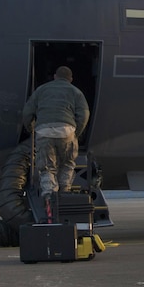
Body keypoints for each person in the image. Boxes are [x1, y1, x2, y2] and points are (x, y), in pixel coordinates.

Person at [21, 66, 91, 220]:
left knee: (47, 168)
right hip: (67, 130)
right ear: (70, 78)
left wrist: (30, 128)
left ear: (54, 76)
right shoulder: (75, 92)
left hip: (44, 131)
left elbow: (27, 112)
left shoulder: (41, 90)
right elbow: (84, 114)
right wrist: (76, 132)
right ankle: (64, 193)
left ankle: (48, 198)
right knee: (67, 164)